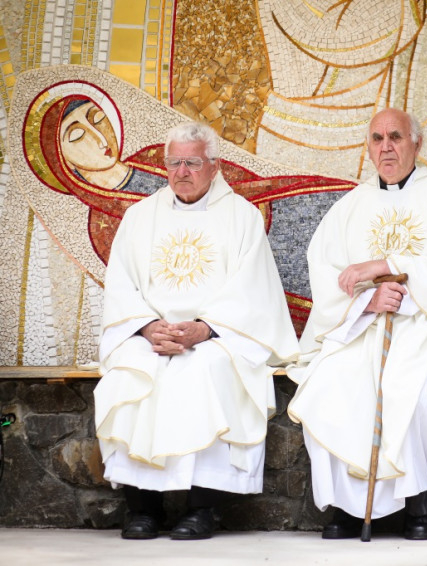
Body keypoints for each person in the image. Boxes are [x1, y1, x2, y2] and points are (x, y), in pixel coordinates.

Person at [287, 108, 427, 540]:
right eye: (377, 139)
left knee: (414, 390)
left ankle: (420, 501)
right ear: (368, 148)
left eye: (396, 137)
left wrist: (387, 265)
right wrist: (367, 300)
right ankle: (348, 506)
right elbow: (326, 270)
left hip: (426, 325)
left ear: (416, 144)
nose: (386, 147)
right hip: (361, 327)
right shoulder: (350, 206)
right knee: (329, 383)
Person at [94, 122, 300, 540]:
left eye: (192, 163)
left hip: (215, 336)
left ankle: (202, 508)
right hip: (151, 336)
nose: (182, 172)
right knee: (128, 371)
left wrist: (205, 329)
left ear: (214, 166)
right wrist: (147, 326)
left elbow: (253, 290)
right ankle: (142, 508)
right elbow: (120, 284)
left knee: (207, 370)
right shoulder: (140, 217)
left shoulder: (241, 217)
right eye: (174, 163)